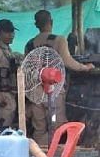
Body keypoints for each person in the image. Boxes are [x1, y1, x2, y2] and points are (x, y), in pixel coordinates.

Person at [24, 10, 94, 144]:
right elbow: (68, 62)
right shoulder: (59, 40)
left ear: (36, 24)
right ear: (51, 22)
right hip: (54, 91)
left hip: (35, 92)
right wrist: (85, 67)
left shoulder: (29, 44)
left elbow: (27, 67)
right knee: (57, 127)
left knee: (39, 128)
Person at [0, 19, 18, 132]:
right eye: (7, 32)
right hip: (1, 98)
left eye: (12, 32)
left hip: (8, 96)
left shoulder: (7, 51)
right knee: (0, 130)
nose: (11, 35)